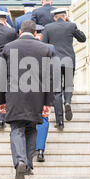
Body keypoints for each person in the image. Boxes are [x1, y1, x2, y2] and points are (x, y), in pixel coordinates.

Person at [0, 20, 53, 179]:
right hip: (37, 96)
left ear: (20, 32)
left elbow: (1, 75)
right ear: (35, 33)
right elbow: (49, 79)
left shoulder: (8, 47)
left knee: (17, 129)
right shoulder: (45, 49)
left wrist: (0, 100)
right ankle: (27, 166)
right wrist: (47, 103)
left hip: (15, 95)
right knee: (31, 129)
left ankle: (20, 160)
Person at [41, 8, 87, 129]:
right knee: (68, 85)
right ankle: (67, 102)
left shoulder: (48, 27)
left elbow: (44, 45)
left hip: (54, 60)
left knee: (56, 91)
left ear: (55, 17)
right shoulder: (71, 26)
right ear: (65, 16)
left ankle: (59, 121)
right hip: (68, 59)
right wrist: (71, 22)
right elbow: (83, 38)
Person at [33, 24, 53, 163]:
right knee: (43, 120)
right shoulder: (49, 48)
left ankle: (30, 149)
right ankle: (40, 149)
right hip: (42, 89)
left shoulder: (21, 46)